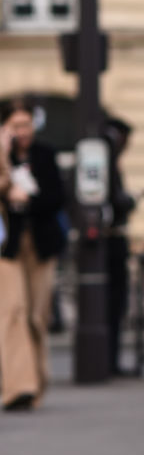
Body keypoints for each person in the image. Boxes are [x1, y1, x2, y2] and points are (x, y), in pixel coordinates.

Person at [0, 97, 66, 411]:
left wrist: (27, 199)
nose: (22, 132)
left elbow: (57, 198)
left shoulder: (45, 154)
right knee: (13, 312)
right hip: (8, 247)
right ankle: (18, 387)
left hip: (40, 246)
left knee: (36, 317)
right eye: (16, 126)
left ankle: (36, 383)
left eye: (26, 125)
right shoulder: (2, 155)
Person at [103, 116, 135, 376]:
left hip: (112, 243)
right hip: (110, 243)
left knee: (114, 305)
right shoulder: (108, 165)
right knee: (113, 304)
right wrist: (128, 202)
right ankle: (109, 362)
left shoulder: (110, 163)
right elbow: (117, 201)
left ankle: (110, 361)